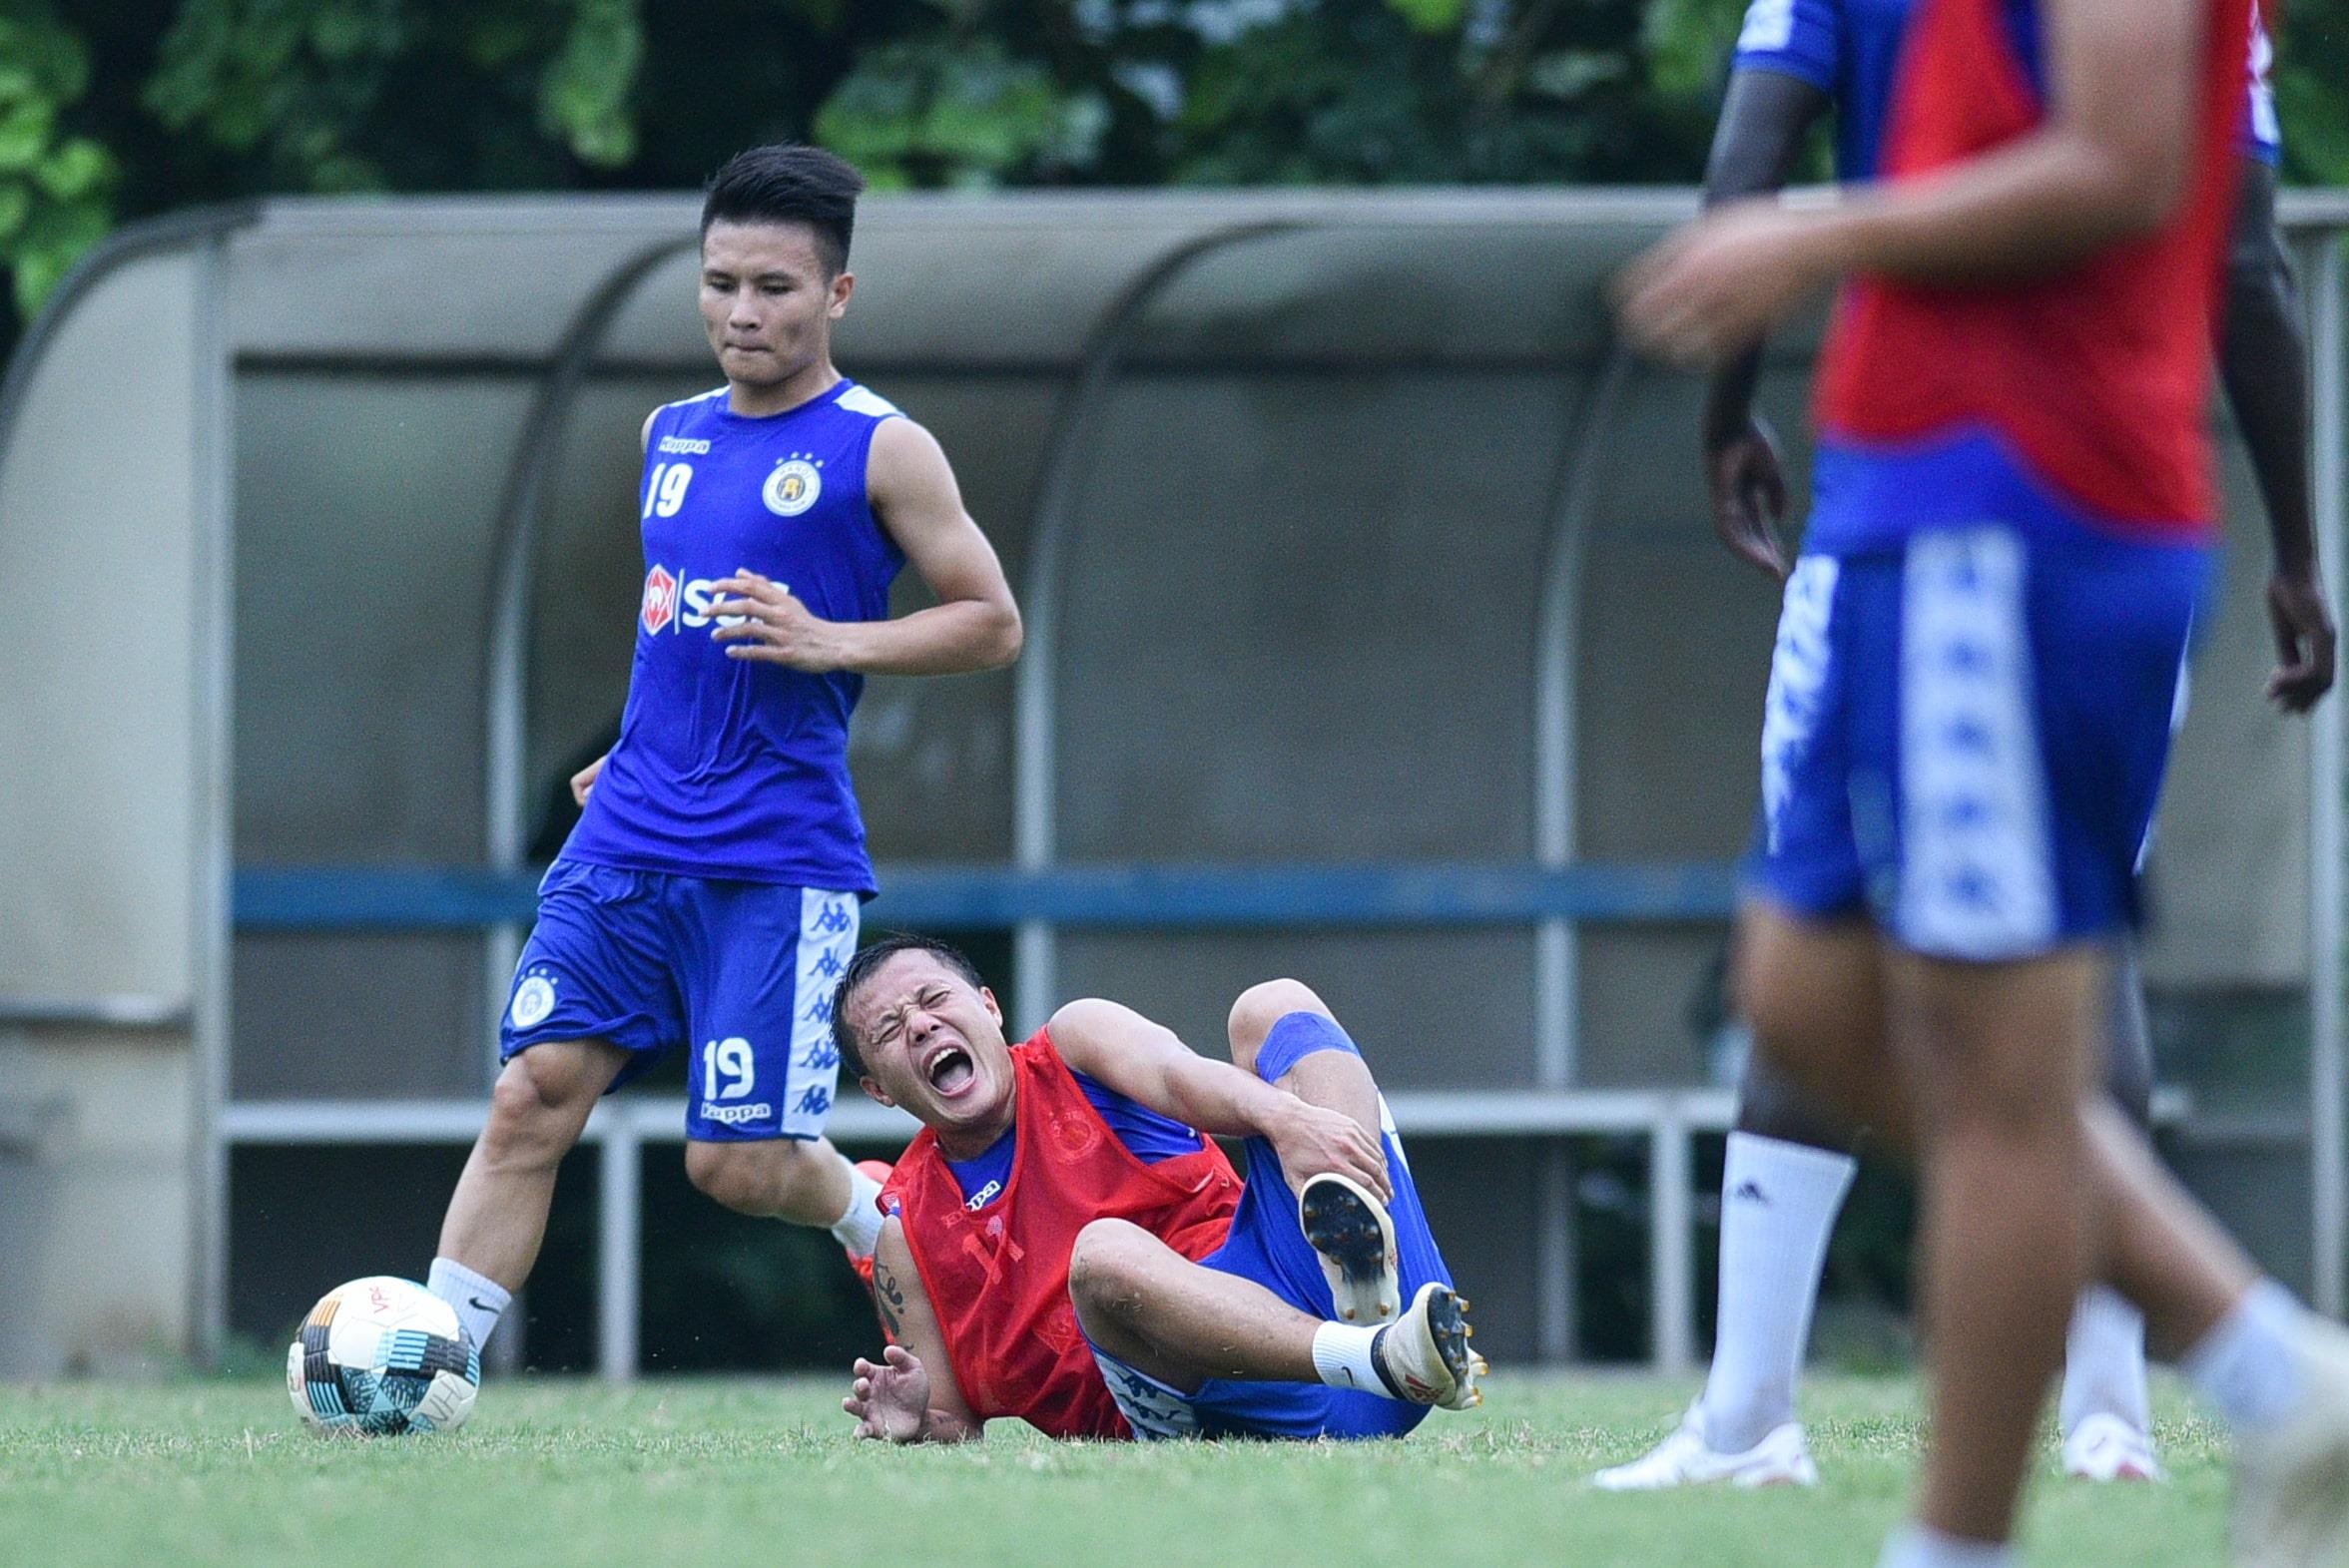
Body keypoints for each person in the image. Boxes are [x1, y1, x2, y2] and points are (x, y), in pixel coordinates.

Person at [1617, 0, 2349, 1563]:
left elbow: (2127, 165)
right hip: (1899, 498)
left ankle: (1958, 1536)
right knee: (1807, 1000)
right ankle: (2271, 1364)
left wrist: (1817, 231)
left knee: (2003, 1072)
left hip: (2020, 504)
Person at [420, 145, 1023, 1359]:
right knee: (531, 1095)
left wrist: (827, 637)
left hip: (771, 858)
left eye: (775, 287)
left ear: (836, 295)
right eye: (721, 283)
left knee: (734, 1160)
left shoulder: (881, 446)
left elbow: (991, 621)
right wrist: (638, 750)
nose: (741, 312)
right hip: (632, 829)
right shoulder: (671, 433)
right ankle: (418, 1372)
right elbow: (675, 622)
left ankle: (866, 1211)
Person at [827, 934, 1483, 1442]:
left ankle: (1360, 1264)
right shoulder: (906, 1231)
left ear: (990, 1006)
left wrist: (1292, 1123)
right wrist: (913, 1419)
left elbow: (1178, 1076)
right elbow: (949, 1423)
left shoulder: (1075, 1044)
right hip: (1224, 1398)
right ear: (880, 1090)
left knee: (1272, 1004)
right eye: (889, 1029)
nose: (919, 1024)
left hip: (1337, 1294)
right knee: (1104, 1253)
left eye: (935, 999)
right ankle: (1377, 1353)